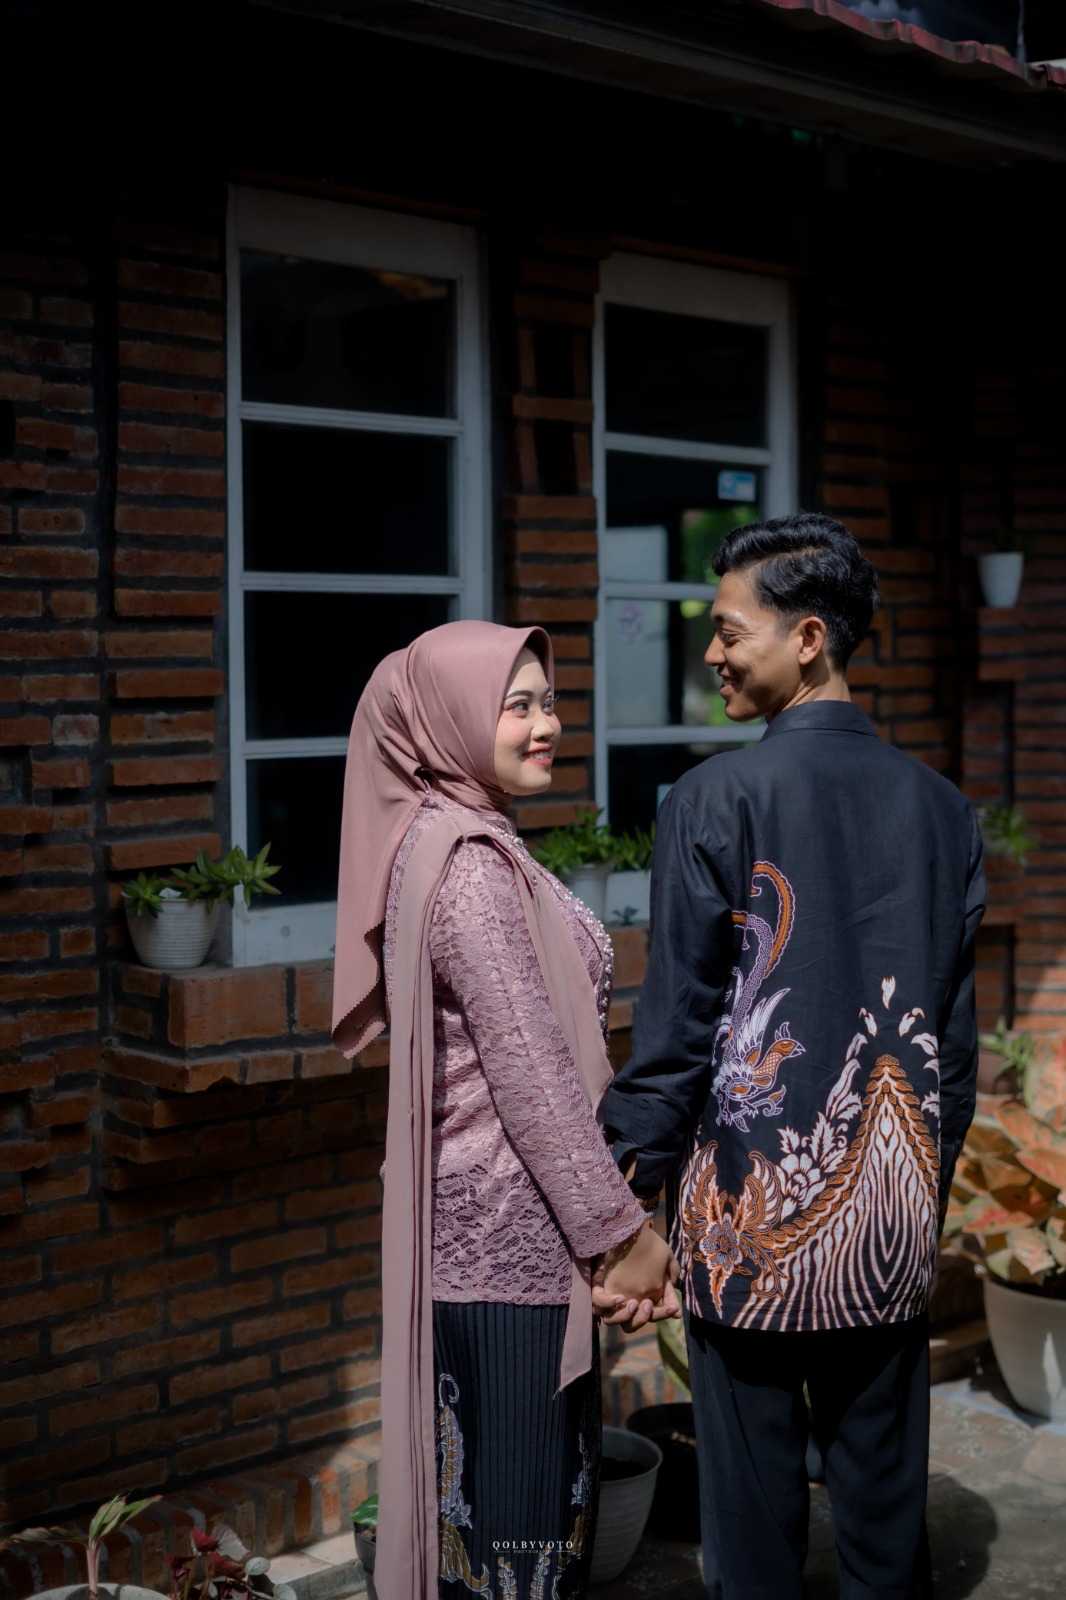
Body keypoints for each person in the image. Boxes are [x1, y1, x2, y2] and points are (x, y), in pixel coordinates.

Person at [600, 514, 985, 1600]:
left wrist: (626, 1205)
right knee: (883, 1517)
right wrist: (914, 1193)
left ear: (808, 637)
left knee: (752, 1529)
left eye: (730, 632)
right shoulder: (945, 811)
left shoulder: (712, 798)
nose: (711, 654)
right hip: (888, 1211)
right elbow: (951, 1049)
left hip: (747, 1223)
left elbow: (677, 1030)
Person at [331, 620, 679, 1600]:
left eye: (547, 702)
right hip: (507, 1248)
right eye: (514, 705)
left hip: (499, 1241)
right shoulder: (472, 866)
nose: (545, 724)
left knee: (496, 1539)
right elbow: (532, 1074)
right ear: (449, 720)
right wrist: (622, 1236)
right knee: (519, 1550)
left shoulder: (455, 838)